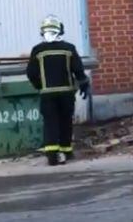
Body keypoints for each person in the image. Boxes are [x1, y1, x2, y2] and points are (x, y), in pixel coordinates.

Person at [26, 15, 90, 166]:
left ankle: (52, 154)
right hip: (66, 93)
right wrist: (83, 83)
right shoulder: (69, 49)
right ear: (59, 30)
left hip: (47, 94)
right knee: (65, 121)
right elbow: (78, 70)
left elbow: (31, 72)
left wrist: (39, 85)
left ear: (43, 32)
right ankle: (66, 151)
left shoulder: (38, 50)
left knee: (50, 122)